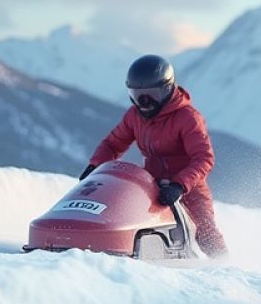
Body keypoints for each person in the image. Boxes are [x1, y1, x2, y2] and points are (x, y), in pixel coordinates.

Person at [82, 54, 227, 257]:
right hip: (150, 185)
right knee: (130, 219)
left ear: (168, 89)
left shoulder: (187, 118)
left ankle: (223, 266)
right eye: (138, 95)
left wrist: (179, 185)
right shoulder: (135, 116)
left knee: (204, 231)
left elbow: (204, 158)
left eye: (153, 94)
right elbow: (113, 144)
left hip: (189, 188)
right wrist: (95, 167)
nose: (145, 102)